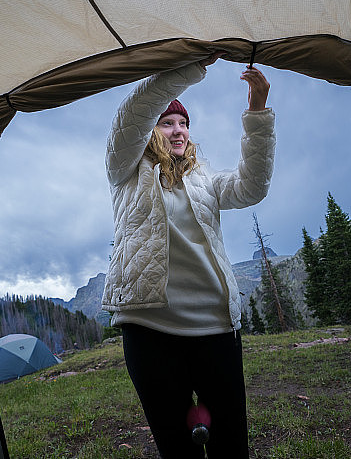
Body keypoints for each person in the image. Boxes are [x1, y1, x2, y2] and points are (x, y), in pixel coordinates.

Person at [102, 52, 275, 458]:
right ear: (151, 130)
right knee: (177, 449)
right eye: (167, 122)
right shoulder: (125, 170)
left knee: (231, 444)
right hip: (149, 329)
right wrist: (192, 66)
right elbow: (132, 114)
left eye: (183, 124)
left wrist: (257, 112)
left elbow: (252, 186)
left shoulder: (207, 182)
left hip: (214, 326)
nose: (178, 131)